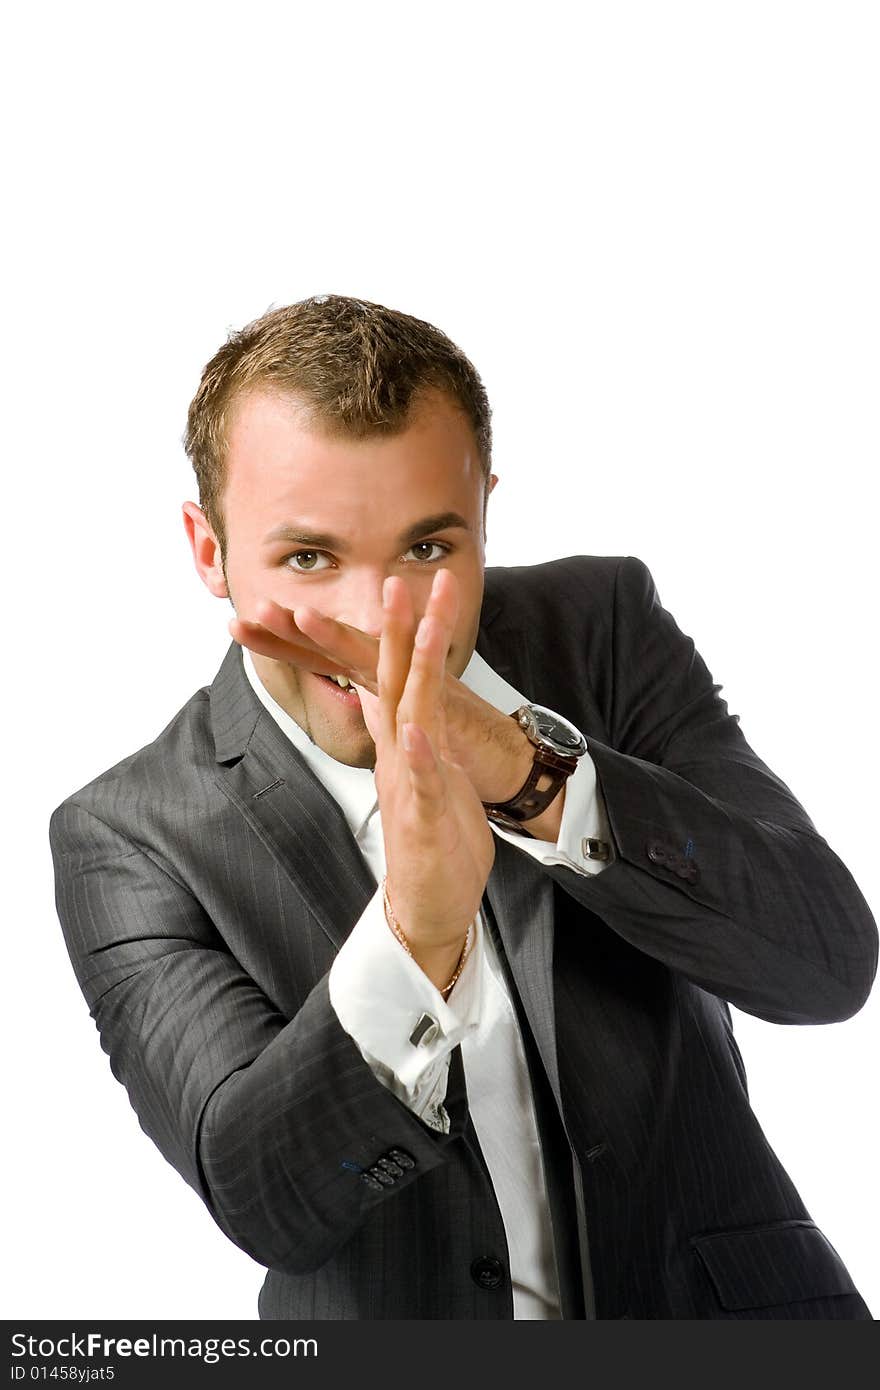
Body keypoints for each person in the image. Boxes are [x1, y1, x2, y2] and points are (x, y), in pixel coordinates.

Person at [50, 294, 877, 1320]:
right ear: (209, 550)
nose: (374, 618)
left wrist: (534, 779)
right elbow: (272, 1201)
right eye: (309, 557)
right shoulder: (127, 833)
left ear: (485, 511)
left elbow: (824, 965)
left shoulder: (602, 630)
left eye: (428, 551)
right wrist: (417, 934)